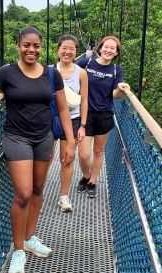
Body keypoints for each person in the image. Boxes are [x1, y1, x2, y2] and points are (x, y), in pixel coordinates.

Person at [0, 27, 75, 273]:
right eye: (26, 45)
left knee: (37, 190)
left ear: (41, 47)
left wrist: (70, 141)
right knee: (22, 193)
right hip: (16, 137)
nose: (31, 50)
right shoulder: (6, 73)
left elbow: (63, 110)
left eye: (36, 46)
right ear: (19, 46)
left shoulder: (52, 74)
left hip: (44, 138)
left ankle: (31, 238)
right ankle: (18, 251)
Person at [76, 35, 130, 198]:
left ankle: (92, 181)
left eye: (112, 48)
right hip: (86, 114)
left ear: (116, 53)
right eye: (106, 47)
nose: (108, 50)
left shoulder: (116, 70)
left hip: (105, 115)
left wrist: (120, 89)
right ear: (100, 48)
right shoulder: (87, 63)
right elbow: (69, 72)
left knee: (98, 151)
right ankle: (85, 175)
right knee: (84, 154)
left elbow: (115, 95)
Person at [54, 34, 88, 212]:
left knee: (67, 158)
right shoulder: (49, 70)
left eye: (71, 49)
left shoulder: (81, 73)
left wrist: (83, 126)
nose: (67, 51)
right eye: (64, 48)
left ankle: (63, 197)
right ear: (58, 50)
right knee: (45, 158)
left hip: (73, 120)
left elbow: (84, 101)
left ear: (76, 52)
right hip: (51, 118)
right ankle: (37, 195)